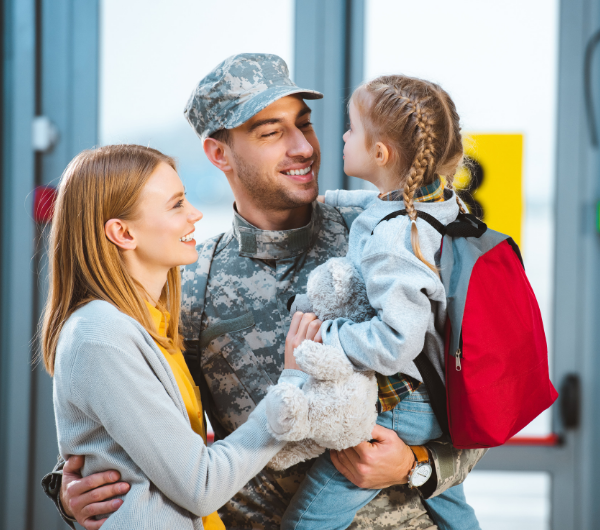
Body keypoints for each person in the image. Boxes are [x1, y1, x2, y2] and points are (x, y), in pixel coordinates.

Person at [42, 54, 486, 530]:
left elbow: (480, 396)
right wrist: (70, 493)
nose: (303, 147)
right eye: (271, 132)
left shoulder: (390, 238)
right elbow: (134, 419)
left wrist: (415, 464)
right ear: (219, 154)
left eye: (305, 124)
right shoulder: (187, 282)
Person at [42, 143, 320, 529]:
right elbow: (199, 484)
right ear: (122, 232)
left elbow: (126, 445)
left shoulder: (155, 322)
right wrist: (291, 390)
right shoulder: (100, 334)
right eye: (176, 205)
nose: (195, 214)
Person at [274, 76, 480, 530]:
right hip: (437, 393)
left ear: (381, 153)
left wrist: (328, 335)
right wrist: (328, 199)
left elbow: (395, 343)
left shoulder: (392, 242)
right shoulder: (439, 206)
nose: (342, 137)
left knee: (306, 521)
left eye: (350, 129)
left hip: (402, 404)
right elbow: (376, 203)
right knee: (453, 508)